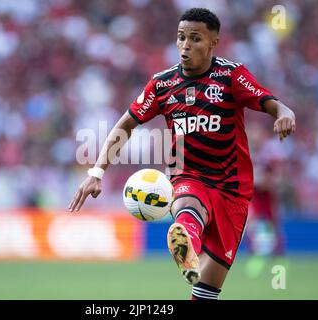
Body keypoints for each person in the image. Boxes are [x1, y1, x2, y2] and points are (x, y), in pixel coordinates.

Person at [69, 8, 296, 300]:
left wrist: (284, 112)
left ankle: (191, 256)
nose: (185, 45)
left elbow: (271, 102)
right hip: (187, 176)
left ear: (213, 43)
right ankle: (185, 240)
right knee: (187, 204)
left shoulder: (231, 76)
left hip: (233, 190)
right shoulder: (162, 84)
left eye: (195, 38)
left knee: (205, 292)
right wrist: (96, 172)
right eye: (180, 38)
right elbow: (126, 123)